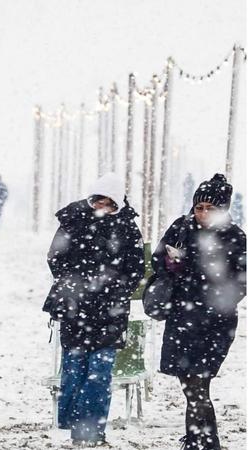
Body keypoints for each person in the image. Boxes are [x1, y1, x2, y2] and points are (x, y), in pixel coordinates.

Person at [42, 173, 144, 447]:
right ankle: (78, 428)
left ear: (117, 203)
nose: (102, 207)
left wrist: (112, 291)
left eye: (108, 202)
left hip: (108, 312)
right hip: (77, 310)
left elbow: (135, 268)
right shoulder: (73, 221)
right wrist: (75, 286)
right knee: (76, 370)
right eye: (98, 201)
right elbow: (56, 258)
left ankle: (92, 430)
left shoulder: (126, 227)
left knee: (99, 372)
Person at [152, 174, 246, 450]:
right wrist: (171, 267)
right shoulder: (181, 228)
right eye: (199, 207)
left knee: (197, 385)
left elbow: (241, 281)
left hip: (215, 322)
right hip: (182, 319)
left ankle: (203, 442)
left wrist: (212, 295)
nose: (203, 213)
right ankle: (198, 440)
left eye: (211, 208)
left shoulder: (235, 237)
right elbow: (158, 261)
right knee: (190, 387)